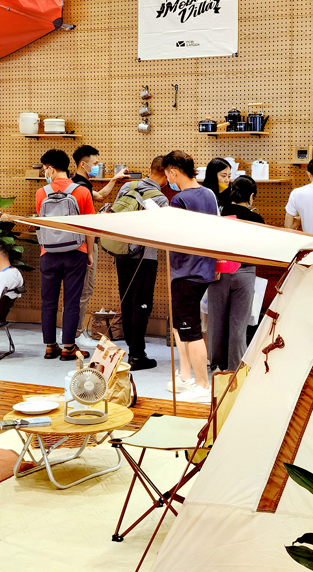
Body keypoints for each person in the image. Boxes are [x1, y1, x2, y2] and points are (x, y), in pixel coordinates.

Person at [162, 150, 217, 404]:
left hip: (187, 271)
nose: (168, 179)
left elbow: (175, 235)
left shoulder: (179, 199)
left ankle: (203, 384)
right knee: (182, 325)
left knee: (190, 330)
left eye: (167, 174)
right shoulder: (209, 194)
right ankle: (186, 377)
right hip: (203, 268)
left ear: (173, 172)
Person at [108, 157, 169, 371]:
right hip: (145, 258)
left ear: (150, 169)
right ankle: (137, 354)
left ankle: (130, 349)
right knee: (142, 305)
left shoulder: (127, 187)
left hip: (122, 253)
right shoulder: (160, 199)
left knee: (126, 302)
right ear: (167, 174)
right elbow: (161, 232)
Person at [34, 149, 95, 361]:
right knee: (72, 301)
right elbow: (90, 227)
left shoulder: (41, 193)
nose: (44, 172)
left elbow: (41, 224)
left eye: (44, 169)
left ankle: (50, 346)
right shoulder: (82, 191)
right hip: (75, 252)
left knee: (48, 301)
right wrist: (89, 253)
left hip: (48, 253)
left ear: (51, 169)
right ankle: (69, 346)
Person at [70, 145, 128, 346]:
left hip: (74, 244)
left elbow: (101, 195)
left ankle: (71, 333)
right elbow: (87, 220)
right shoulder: (82, 186)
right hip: (84, 244)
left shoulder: (77, 184)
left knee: (78, 291)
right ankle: (75, 333)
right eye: (94, 163)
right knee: (84, 291)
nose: (97, 167)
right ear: (83, 164)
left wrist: (114, 179)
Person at [209, 176, 262, 372]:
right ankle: (235, 368)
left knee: (216, 322)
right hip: (245, 271)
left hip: (220, 270)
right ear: (251, 196)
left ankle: (217, 365)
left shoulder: (220, 214)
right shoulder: (256, 219)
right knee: (239, 325)